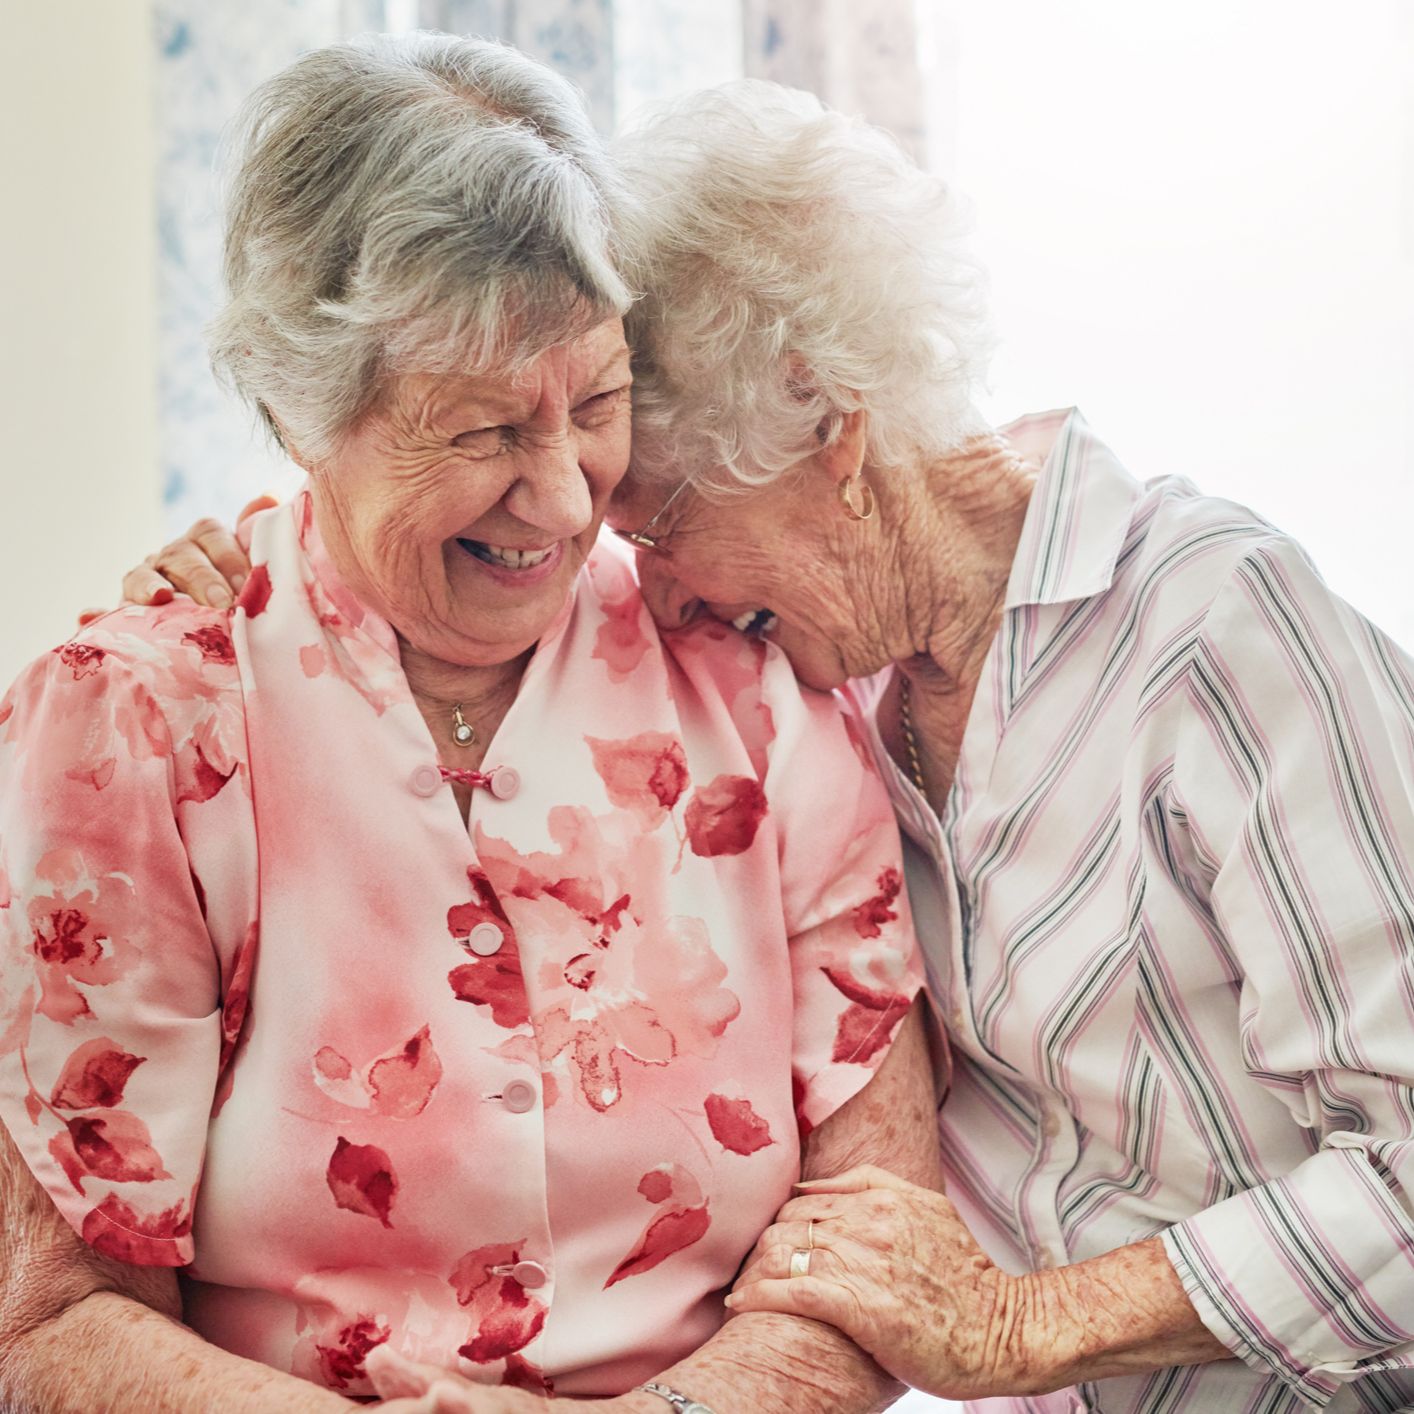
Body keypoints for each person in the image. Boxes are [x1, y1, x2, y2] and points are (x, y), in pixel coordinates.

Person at [136, 78, 1414, 1412]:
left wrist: (1026, 1323)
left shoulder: (1211, 625)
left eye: (663, 521)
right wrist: (257, 586)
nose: (659, 597)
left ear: (825, 421)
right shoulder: (821, 697)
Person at [0, 39, 940, 1414]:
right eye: (487, 431)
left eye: (598, 403)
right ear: (301, 412)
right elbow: (59, 1317)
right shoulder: (137, 726)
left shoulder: (747, 678)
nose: (563, 498)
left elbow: (878, 1227)